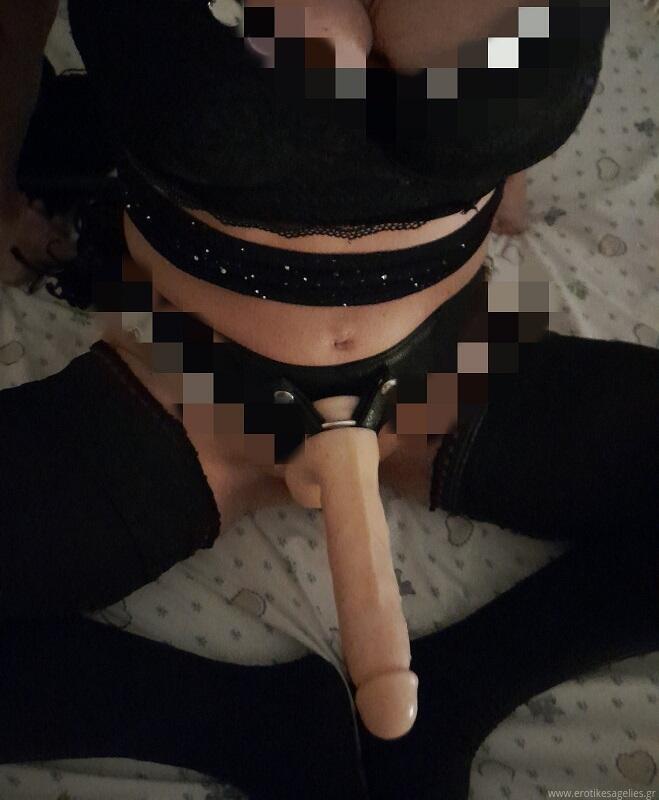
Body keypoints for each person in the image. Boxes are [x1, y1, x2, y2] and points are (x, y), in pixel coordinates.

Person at [1, 1, 657, 798]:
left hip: (447, 365)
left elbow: (506, 108)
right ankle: (255, 725)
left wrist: (504, 154)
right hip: (190, 384)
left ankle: (453, 691)